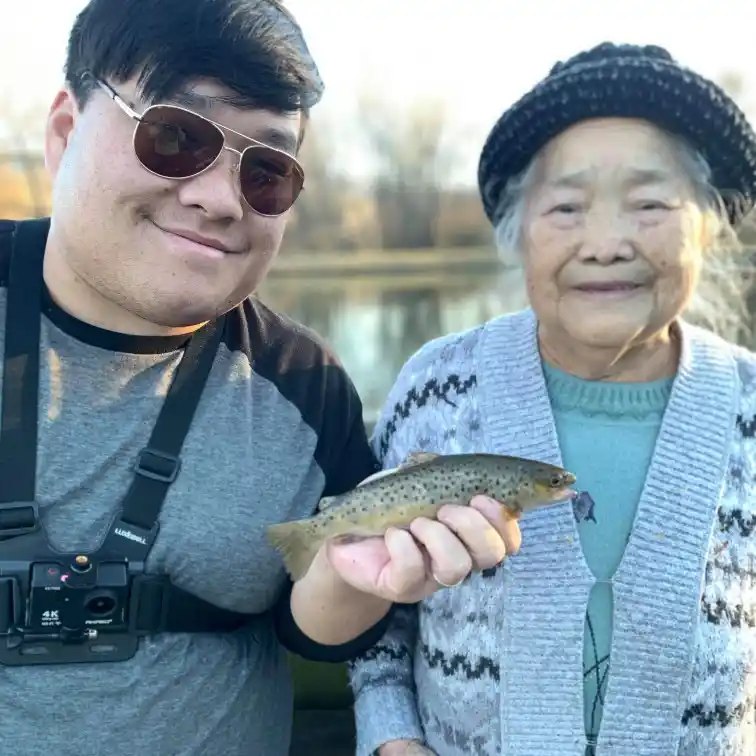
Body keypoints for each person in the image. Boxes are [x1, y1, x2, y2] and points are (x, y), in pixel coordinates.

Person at [0, 2, 518, 755]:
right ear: (64, 131)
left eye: (266, 170)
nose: (218, 197)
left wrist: (355, 576)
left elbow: (308, 623)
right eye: (174, 137)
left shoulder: (305, 384)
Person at [349, 42, 756, 756]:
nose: (605, 242)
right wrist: (393, 743)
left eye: (650, 203)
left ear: (710, 221)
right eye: (566, 206)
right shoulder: (436, 390)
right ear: (518, 234)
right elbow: (377, 628)